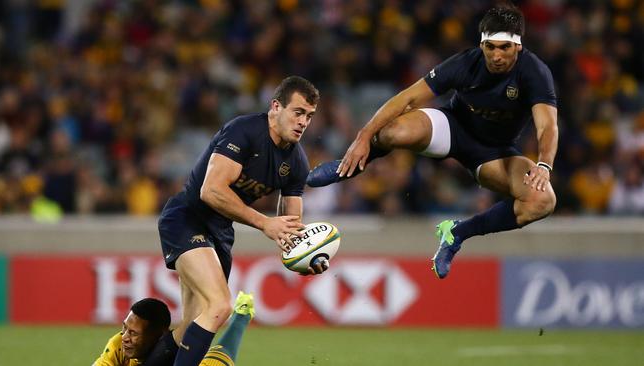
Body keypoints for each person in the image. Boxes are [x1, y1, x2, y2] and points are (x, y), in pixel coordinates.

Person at [307, 3, 557, 279]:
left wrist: (544, 164)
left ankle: (458, 232)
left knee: (541, 201)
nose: (496, 56)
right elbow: (407, 98)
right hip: (452, 127)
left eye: (504, 48)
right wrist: (363, 136)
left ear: (518, 46)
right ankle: (347, 167)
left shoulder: (534, 72)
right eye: (490, 47)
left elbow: (547, 125)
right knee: (392, 131)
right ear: (482, 43)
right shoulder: (466, 62)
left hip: (493, 153)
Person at [157, 76, 329, 366]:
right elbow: (210, 190)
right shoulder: (245, 130)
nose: (304, 122)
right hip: (187, 218)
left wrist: (307, 254)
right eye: (298, 112)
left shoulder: (297, 163)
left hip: (220, 234)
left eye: (309, 116)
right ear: (276, 107)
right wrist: (264, 222)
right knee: (219, 305)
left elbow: (290, 227)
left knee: (191, 326)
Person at [93, 291, 256, 366]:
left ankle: (241, 315)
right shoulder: (118, 345)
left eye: (134, 333)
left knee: (220, 356)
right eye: (125, 328)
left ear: (159, 335)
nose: (125, 337)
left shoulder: (185, 356)